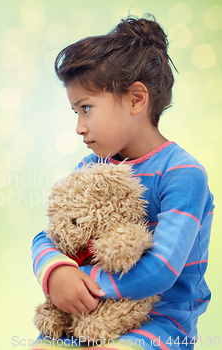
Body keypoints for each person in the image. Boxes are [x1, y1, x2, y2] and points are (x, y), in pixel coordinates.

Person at [30, 14, 214, 350]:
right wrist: (56, 272)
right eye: (75, 113)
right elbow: (49, 235)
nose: (79, 127)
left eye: (86, 108)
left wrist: (82, 281)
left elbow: (161, 269)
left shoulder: (183, 174)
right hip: (89, 316)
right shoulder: (90, 167)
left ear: (135, 99)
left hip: (161, 321)